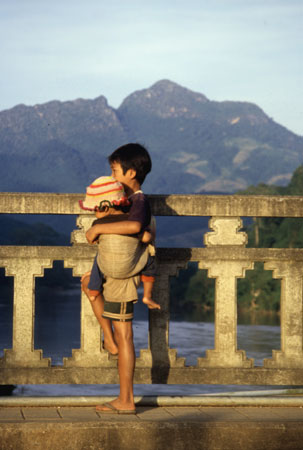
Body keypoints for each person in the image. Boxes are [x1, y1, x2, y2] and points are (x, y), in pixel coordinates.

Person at [83, 143, 159, 414]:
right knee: (87, 285)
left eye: (115, 171)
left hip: (124, 277)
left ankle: (126, 400)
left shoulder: (139, 200)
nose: (113, 176)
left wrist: (96, 230)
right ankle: (108, 338)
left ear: (130, 172)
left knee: (125, 335)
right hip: (112, 271)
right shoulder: (124, 199)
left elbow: (136, 227)